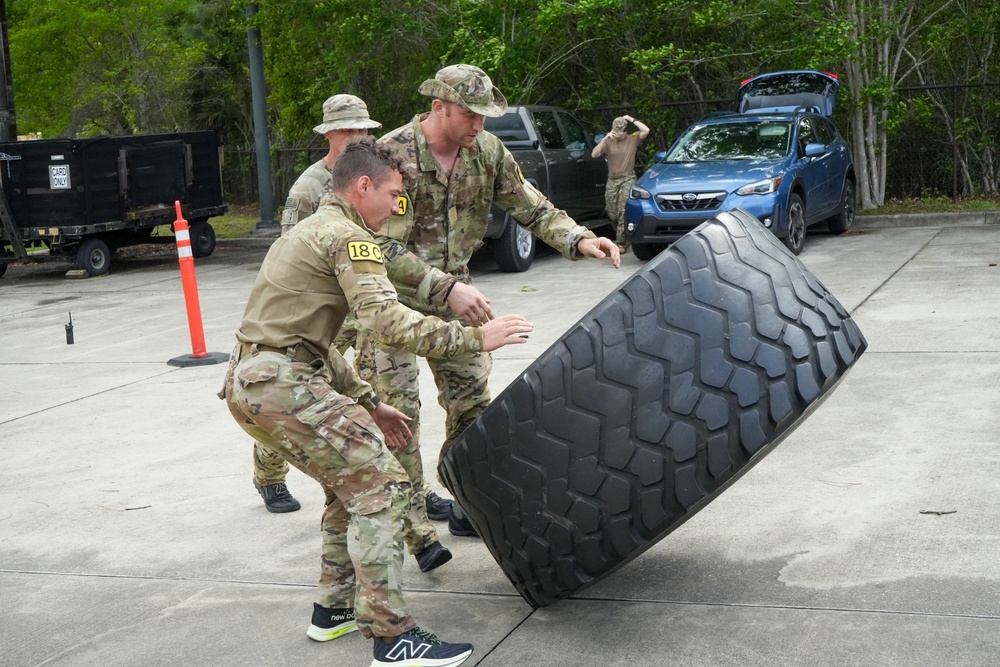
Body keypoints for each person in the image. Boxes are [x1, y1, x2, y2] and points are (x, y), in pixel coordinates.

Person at [222, 137, 532, 665]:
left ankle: (334, 610)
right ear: (362, 186)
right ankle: (393, 638)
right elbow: (387, 323)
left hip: (256, 382)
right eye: (393, 194)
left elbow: (309, 342)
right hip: (282, 383)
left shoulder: (307, 232)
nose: (396, 206)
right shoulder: (348, 238)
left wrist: (368, 402)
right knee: (383, 486)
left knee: (351, 487)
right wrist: (474, 339)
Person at [366, 64, 621, 538]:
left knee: (472, 407)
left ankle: (470, 502)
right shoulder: (389, 156)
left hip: (457, 298)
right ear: (438, 107)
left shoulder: (485, 151)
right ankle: (411, 527)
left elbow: (530, 204)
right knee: (397, 414)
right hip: (391, 303)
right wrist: (445, 287)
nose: (479, 125)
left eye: (485, 116)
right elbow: (374, 243)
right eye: (470, 115)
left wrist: (580, 238)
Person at [252, 94, 382, 514]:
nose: (358, 136)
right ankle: (269, 474)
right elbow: (291, 251)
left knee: (374, 391)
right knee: (294, 396)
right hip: (321, 311)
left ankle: (389, 475)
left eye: (364, 129)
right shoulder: (309, 187)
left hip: (363, 303)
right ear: (329, 134)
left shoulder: (378, 175)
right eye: (349, 130)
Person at [592, 114, 650, 254]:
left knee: (623, 209)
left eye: (620, 132)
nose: (617, 135)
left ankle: (621, 242)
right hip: (612, 179)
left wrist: (630, 119)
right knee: (611, 213)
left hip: (627, 178)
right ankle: (622, 236)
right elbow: (594, 154)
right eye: (615, 132)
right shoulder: (609, 141)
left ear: (625, 131)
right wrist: (605, 139)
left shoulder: (632, 139)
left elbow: (646, 130)